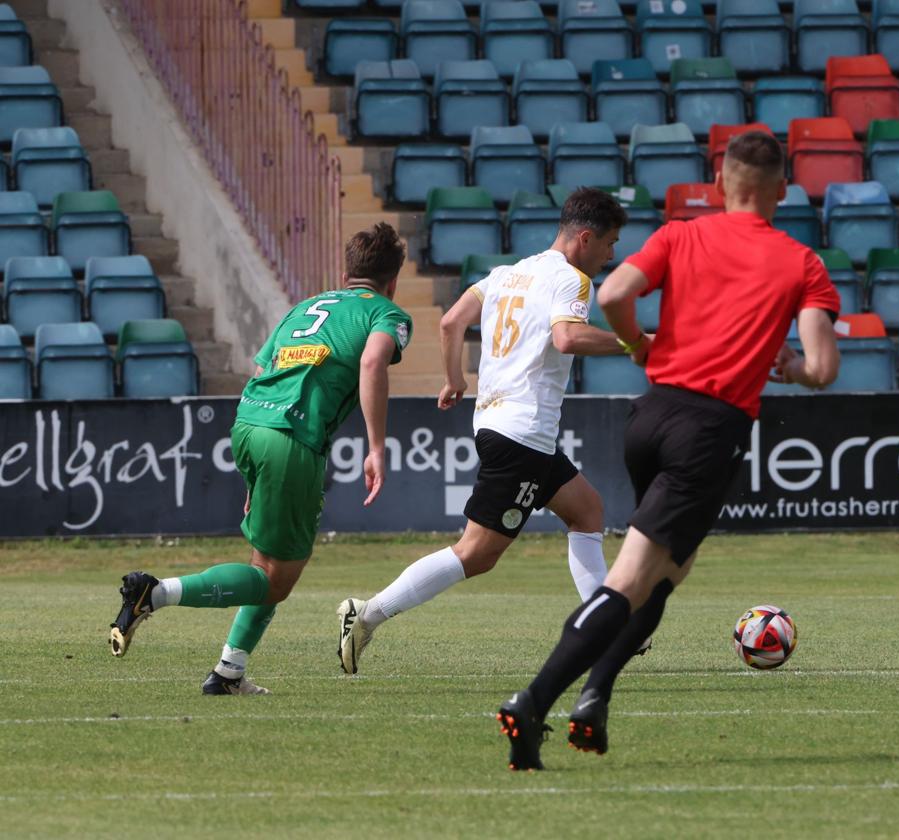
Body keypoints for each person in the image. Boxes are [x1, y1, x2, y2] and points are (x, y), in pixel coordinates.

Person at [496, 130, 841, 771]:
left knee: (667, 573)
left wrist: (638, 347)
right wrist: (789, 366)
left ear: (719, 185)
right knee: (631, 580)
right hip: (709, 430)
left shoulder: (682, 234)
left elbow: (614, 294)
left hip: (650, 418)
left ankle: (595, 697)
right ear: (782, 193)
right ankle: (534, 700)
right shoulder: (801, 263)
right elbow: (822, 367)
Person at [335, 187, 632, 675]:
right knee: (476, 554)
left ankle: (603, 627)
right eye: (610, 243)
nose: (611, 255)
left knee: (587, 510)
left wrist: (455, 379)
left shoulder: (506, 274)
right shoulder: (574, 281)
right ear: (585, 238)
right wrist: (636, 343)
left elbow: (451, 323)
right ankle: (366, 615)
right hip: (524, 433)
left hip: (498, 422)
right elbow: (568, 336)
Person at [108, 223, 413, 694]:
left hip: (250, 423)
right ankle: (155, 592)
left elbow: (260, 368)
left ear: (347, 270)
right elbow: (373, 363)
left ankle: (229, 672)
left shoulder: (305, 307)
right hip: (292, 437)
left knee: (264, 563)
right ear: (393, 279)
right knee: (275, 582)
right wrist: (377, 447)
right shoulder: (387, 314)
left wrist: (255, 478)